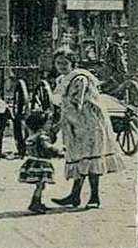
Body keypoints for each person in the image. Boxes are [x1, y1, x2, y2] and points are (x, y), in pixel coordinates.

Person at [52, 67, 123, 209]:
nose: (61, 66)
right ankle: (75, 195)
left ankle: (94, 197)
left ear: (72, 64)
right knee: (80, 158)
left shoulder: (80, 79)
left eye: (65, 63)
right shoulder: (63, 80)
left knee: (91, 159)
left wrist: (61, 122)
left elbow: (78, 102)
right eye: (58, 63)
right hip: (76, 123)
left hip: (89, 122)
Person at [18, 107, 62, 214]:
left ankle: (37, 201)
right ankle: (35, 203)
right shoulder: (42, 136)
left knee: (40, 185)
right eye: (48, 123)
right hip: (40, 163)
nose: (50, 125)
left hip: (32, 161)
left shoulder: (31, 136)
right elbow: (47, 147)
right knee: (40, 185)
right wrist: (58, 151)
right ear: (42, 125)